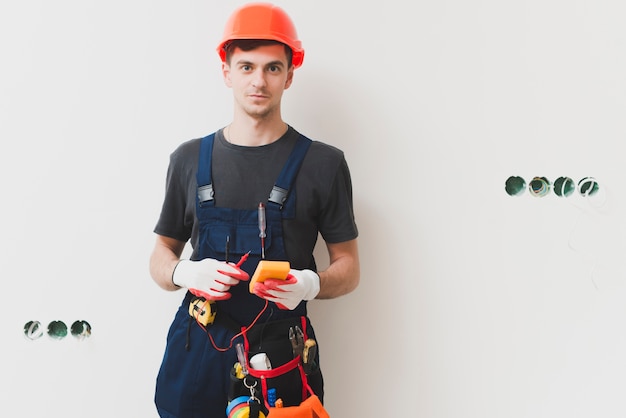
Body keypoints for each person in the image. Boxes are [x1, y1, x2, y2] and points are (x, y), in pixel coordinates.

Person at [149, 3, 360, 417]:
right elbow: (159, 256)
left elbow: (349, 267)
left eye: (272, 68)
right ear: (226, 72)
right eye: (246, 67)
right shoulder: (189, 160)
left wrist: (311, 284)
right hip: (197, 351)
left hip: (281, 361)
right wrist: (183, 272)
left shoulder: (324, 164)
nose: (258, 81)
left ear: (289, 74)